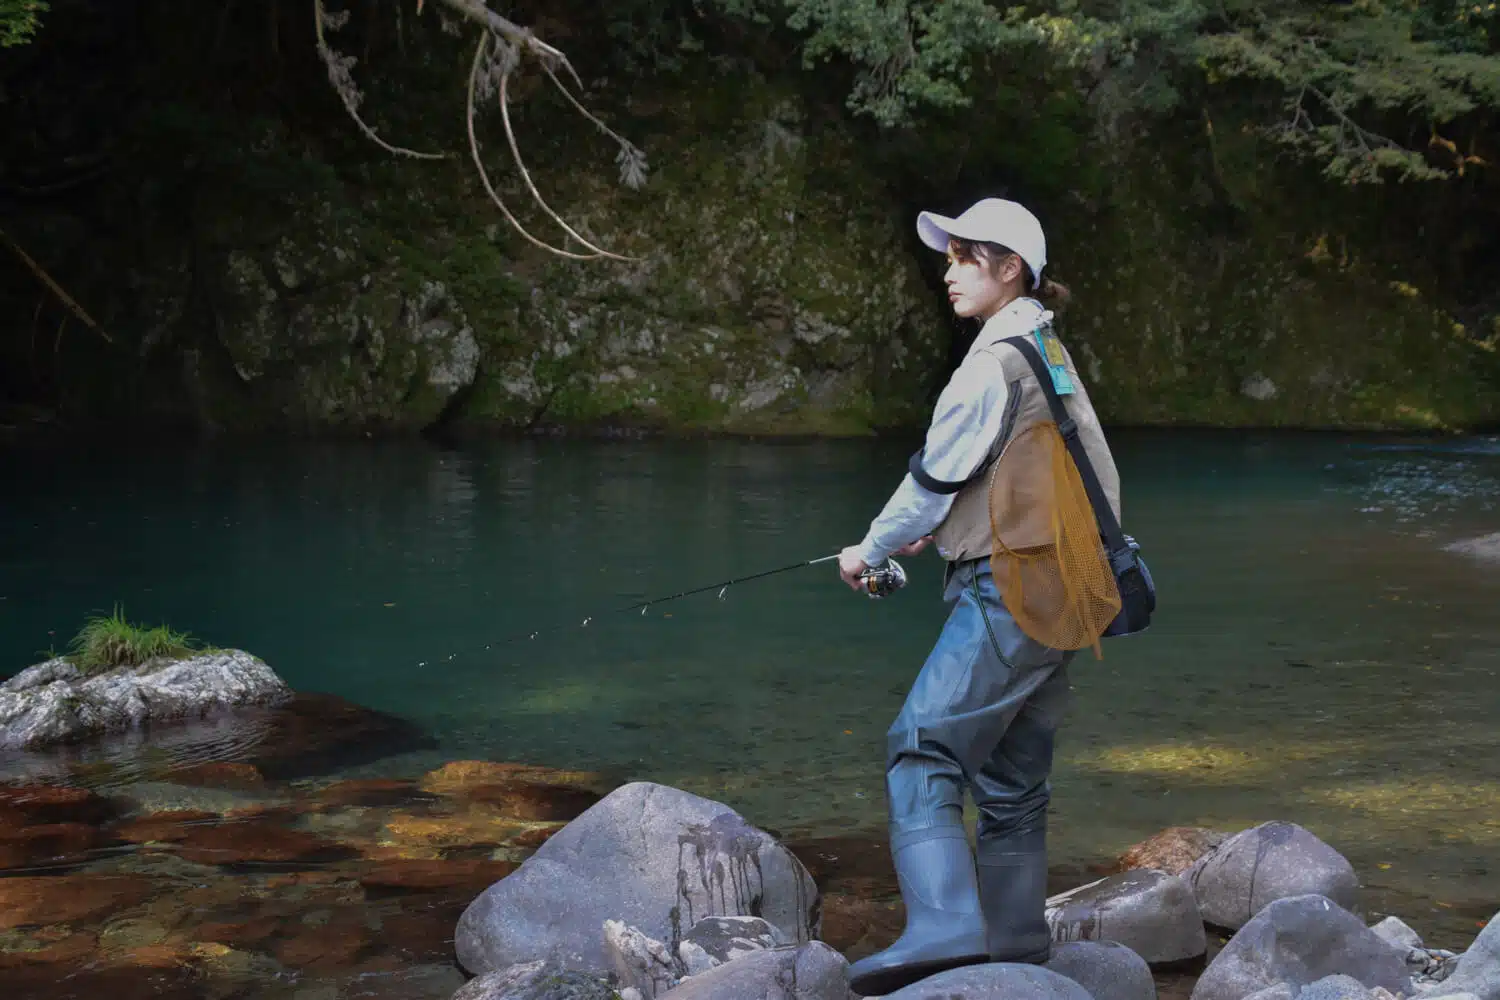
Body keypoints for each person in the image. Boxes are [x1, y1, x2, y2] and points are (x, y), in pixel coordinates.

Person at [836, 197, 1123, 996]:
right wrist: (957, 522)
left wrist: (872, 548)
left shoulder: (991, 364)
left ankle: (946, 927)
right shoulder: (1045, 349)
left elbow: (930, 478)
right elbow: (1028, 470)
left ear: (1010, 271)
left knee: (922, 747)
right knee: (1009, 773)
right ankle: (1018, 942)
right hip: (1062, 590)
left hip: (1011, 590)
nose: (948, 271)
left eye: (964, 257)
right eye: (951, 257)